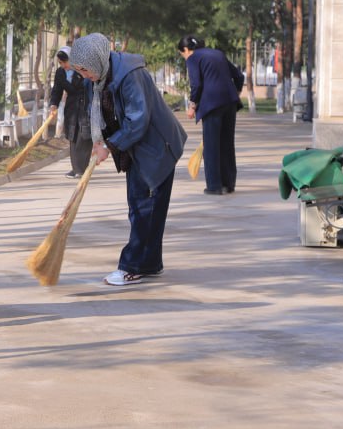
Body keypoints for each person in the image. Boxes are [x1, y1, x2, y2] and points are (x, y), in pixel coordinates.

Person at [68, 33, 187, 286]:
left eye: (85, 70)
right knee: (143, 206)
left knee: (145, 208)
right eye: (80, 72)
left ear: (97, 61)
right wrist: (99, 141)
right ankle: (150, 263)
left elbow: (138, 120)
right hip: (136, 147)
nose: (84, 76)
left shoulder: (131, 75)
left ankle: (133, 266)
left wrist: (109, 147)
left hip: (156, 147)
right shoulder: (97, 79)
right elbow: (97, 111)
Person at [178, 35, 245, 195]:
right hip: (229, 102)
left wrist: (192, 106)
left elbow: (197, 85)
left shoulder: (193, 59)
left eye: (182, 54)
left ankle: (214, 186)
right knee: (227, 143)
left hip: (211, 104)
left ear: (186, 50)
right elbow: (239, 76)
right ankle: (229, 184)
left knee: (211, 145)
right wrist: (235, 92)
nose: (184, 57)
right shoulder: (217, 54)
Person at [49, 46, 92, 178]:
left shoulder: (83, 70)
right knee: (73, 136)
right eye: (61, 63)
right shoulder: (60, 73)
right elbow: (57, 89)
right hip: (72, 107)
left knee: (84, 137)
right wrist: (53, 104)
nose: (63, 65)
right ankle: (76, 168)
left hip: (86, 105)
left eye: (64, 62)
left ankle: (81, 169)